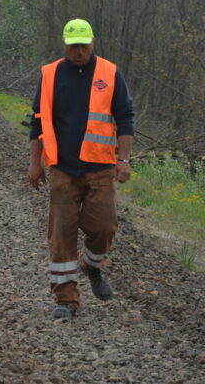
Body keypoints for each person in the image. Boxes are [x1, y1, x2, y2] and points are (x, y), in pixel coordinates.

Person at [28, 18, 134, 320]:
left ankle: (91, 263)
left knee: (103, 227)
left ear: (93, 43)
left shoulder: (110, 73)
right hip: (62, 167)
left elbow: (125, 116)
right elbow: (37, 121)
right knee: (62, 233)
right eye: (73, 46)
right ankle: (66, 300)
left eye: (84, 46)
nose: (79, 52)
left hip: (100, 166)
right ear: (64, 44)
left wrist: (123, 159)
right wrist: (35, 163)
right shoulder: (49, 74)